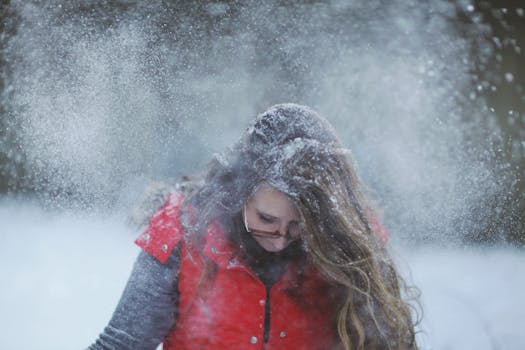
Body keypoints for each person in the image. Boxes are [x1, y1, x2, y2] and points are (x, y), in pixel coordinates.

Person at [88, 103, 419, 350]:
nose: (279, 241)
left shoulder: (350, 247)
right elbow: (122, 342)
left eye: (298, 226)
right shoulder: (182, 233)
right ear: (239, 193)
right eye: (266, 220)